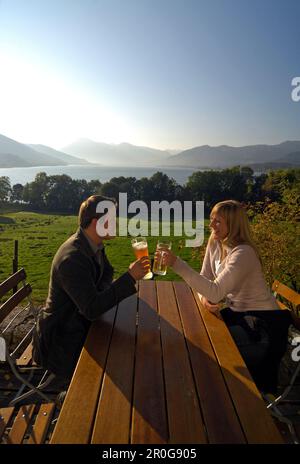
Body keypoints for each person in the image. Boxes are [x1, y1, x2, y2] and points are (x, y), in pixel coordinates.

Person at [160, 200, 292, 393]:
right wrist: (204, 299)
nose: (211, 225)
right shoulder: (215, 242)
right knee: (192, 339)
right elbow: (204, 279)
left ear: (234, 225)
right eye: (212, 219)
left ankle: (216, 401)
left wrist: (177, 264)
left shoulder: (244, 253)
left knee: (202, 349)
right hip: (239, 317)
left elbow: (215, 291)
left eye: (218, 221)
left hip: (261, 330)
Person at [33, 195, 149, 382]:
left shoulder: (93, 244)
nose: (116, 223)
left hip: (80, 327)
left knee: (129, 346)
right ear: (97, 222)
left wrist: (101, 294)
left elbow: (107, 273)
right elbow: (92, 310)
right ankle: (70, 397)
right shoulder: (72, 258)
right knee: (123, 358)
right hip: (62, 341)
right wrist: (129, 277)